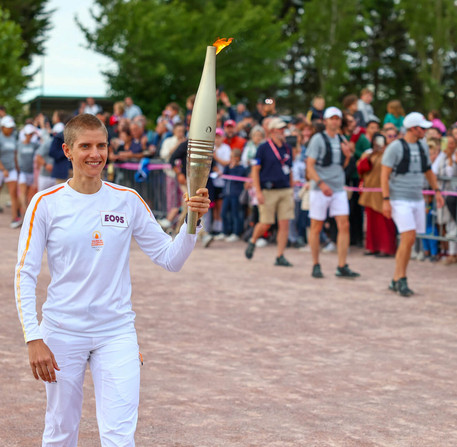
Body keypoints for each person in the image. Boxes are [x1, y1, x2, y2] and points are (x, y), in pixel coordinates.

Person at [14, 114, 210, 446]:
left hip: (115, 333)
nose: (95, 154)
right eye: (85, 146)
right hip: (62, 332)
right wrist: (33, 338)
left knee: (119, 435)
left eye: (102, 145)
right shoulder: (45, 204)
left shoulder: (127, 200)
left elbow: (170, 258)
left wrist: (192, 221)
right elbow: (25, 274)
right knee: (61, 430)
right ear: (67, 151)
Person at [381, 112, 445, 297]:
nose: (425, 130)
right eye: (422, 127)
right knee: (408, 237)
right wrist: (386, 200)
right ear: (413, 129)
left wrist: (437, 191)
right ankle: (402, 279)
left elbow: (428, 170)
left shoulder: (423, 146)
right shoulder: (395, 148)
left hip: (416, 197)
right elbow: (384, 175)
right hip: (399, 198)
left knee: (408, 241)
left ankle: (395, 278)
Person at [306, 107, 360, 278]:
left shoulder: (341, 139)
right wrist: (321, 184)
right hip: (321, 189)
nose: (335, 121)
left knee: (344, 224)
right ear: (326, 121)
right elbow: (310, 165)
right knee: (316, 226)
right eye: (332, 118)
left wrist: (348, 157)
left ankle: (342, 265)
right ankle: (315, 263)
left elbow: (340, 166)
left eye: (338, 118)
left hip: (337, 187)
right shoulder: (318, 139)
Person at [244, 117, 294, 266]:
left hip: (285, 189)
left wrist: (291, 184)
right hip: (268, 190)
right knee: (266, 223)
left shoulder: (287, 147)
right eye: (279, 129)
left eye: (283, 129)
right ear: (272, 131)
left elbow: (289, 168)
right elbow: (255, 170)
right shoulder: (264, 148)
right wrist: (258, 191)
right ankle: (253, 240)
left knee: (284, 224)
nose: (282, 132)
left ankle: (280, 255)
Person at [357, 133, 397, 257]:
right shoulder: (368, 154)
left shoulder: (389, 154)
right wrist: (370, 156)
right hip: (370, 191)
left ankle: (386, 248)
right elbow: (360, 169)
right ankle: (372, 247)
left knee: (385, 222)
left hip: (384, 191)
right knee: (371, 222)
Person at [0, 116, 21, 227]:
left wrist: (17, 168)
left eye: (11, 127)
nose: (10, 129)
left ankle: (15, 218)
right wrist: (3, 169)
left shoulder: (13, 138)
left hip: (11, 169)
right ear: (2, 127)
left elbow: (14, 154)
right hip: (1, 170)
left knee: (13, 194)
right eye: (8, 127)